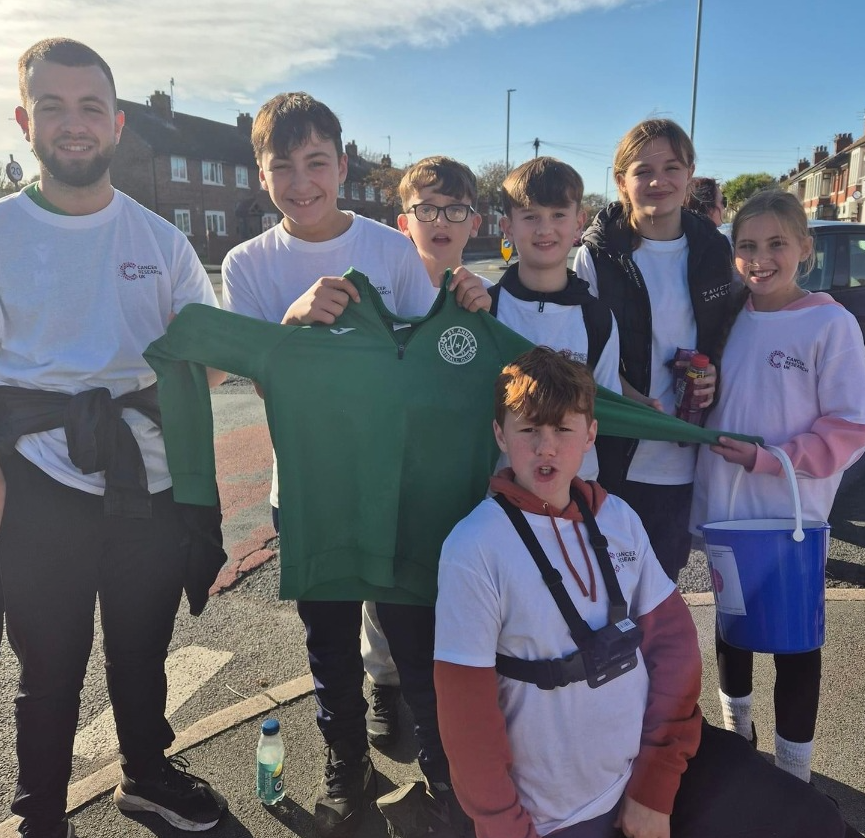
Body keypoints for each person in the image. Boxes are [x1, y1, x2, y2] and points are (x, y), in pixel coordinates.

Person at [433, 346, 856, 838]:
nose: (545, 447)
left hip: (652, 773)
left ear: (590, 435)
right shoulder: (474, 547)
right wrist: (505, 828)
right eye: (528, 429)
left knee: (817, 821)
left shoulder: (618, 519)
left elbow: (674, 653)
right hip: (557, 816)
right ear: (500, 434)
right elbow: (466, 718)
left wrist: (653, 788)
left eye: (563, 429)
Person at [221, 92, 489, 838]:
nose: (301, 182)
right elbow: (253, 373)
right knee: (328, 645)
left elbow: (431, 364)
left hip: (395, 486)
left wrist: (464, 300)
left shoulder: (390, 249)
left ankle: (442, 773)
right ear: (261, 173)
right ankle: (348, 767)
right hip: (306, 491)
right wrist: (290, 322)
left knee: (416, 638)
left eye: (316, 163)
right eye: (283, 166)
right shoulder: (247, 263)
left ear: (342, 166)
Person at [0, 37, 228, 838]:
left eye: (90, 107)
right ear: (25, 121)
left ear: (117, 123)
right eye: (54, 107)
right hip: (37, 484)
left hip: (148, 485)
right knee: (49, 669)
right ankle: (40, 816)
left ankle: (148, 776)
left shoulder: (162, 244)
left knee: (140, 651)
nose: (74, 124)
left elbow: (207, 363)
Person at [691, 189, 865, 783]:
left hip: (792, 520)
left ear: (805, 250)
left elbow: (848, 430)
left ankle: (795, 773)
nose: (759, 259)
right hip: (727, 513)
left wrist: (770, 461)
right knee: (731, 631)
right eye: (746, 246)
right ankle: (739, 743)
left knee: (796, 646)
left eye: (775, 245)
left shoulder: (831, 323)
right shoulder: (727, 318)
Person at [574, 118, 733, 582]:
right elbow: (585, 347)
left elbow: (724, 334)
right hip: (615, 453)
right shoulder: (597, 253)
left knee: (662, 588)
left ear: (689, 173)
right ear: (621, 180)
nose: (658, 181)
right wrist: (625, 394)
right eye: (643, 170)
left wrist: (713, 374)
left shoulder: (712, 249)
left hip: (683, 458)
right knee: (605, 587)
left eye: (672, 167)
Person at [493, 156, 621, 481]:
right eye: (530, 216)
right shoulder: (485, 311)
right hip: (496, 498)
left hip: (574, 500)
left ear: (579, 223)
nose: (545, 228)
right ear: (507, 226)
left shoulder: (598, 319)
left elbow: (606, 411)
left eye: (558, 215)